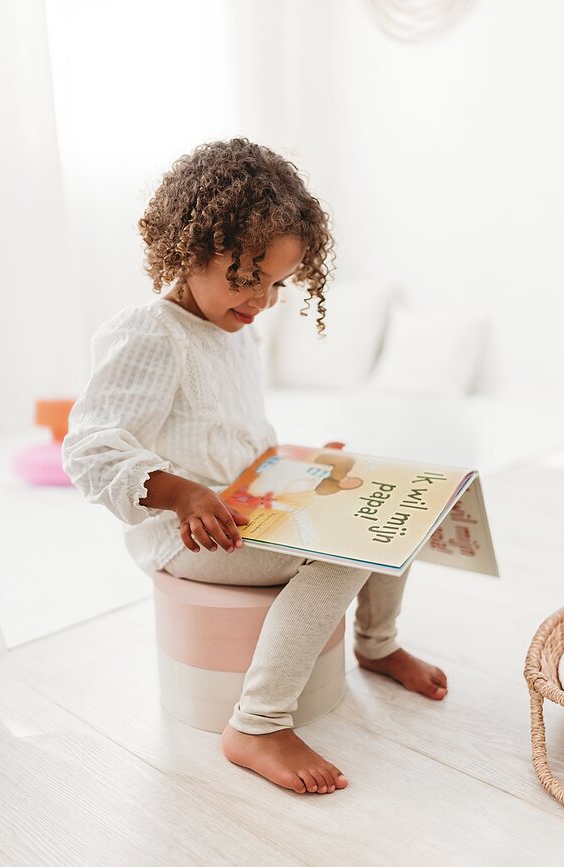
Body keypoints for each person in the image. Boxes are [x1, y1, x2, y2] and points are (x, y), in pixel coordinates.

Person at [62, 137, 447, 797]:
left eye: (277, 284)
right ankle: (258, 723)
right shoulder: (153, 335)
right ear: (190, 252)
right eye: (248, 279)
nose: (263, 300)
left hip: (248, 505)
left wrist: (308, 468)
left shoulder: (236, 328)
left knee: (382, 505)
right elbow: (90, 446)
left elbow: (236, 434)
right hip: (188, 535)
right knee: (344, 552)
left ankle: (376, 643)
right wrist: (181, 494)